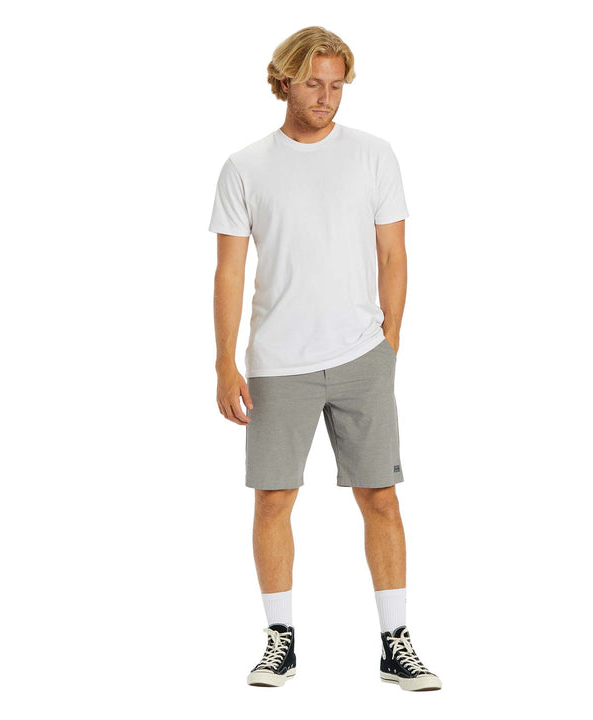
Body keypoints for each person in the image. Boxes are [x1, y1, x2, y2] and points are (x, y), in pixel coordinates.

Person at [208, 26, 441, 692]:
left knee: (381, 498)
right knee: (273, 499)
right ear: (284, 81)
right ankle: (279, 641)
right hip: (277, 360)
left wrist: (389, 341)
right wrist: (224, 362)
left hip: (363, 355)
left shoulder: (373, 155)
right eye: (314, 83)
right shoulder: (246, 166)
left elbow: (394, 255)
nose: (326, 97)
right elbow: (229, 272)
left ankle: (396, 643)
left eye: (337, 85)